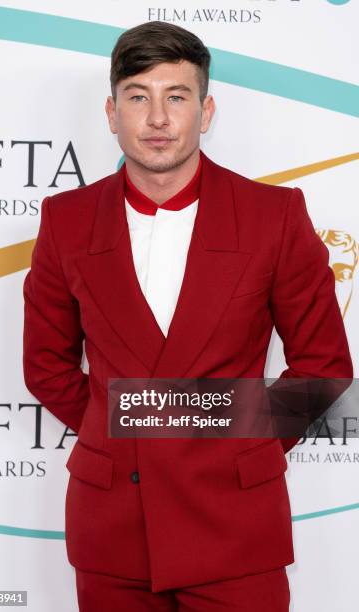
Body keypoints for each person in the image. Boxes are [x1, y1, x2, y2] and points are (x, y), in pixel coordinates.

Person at [22, 20, 353, 611]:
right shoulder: (65, 219)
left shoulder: (273, 215)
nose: (157, 119)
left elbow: (323, 367)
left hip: (236, 527)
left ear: (205, 112)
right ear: (111, 110)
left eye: (176, 97)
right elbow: (46, 366)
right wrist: (123, 427)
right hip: (112, 533)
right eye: (138, 97)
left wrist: (227, 442)